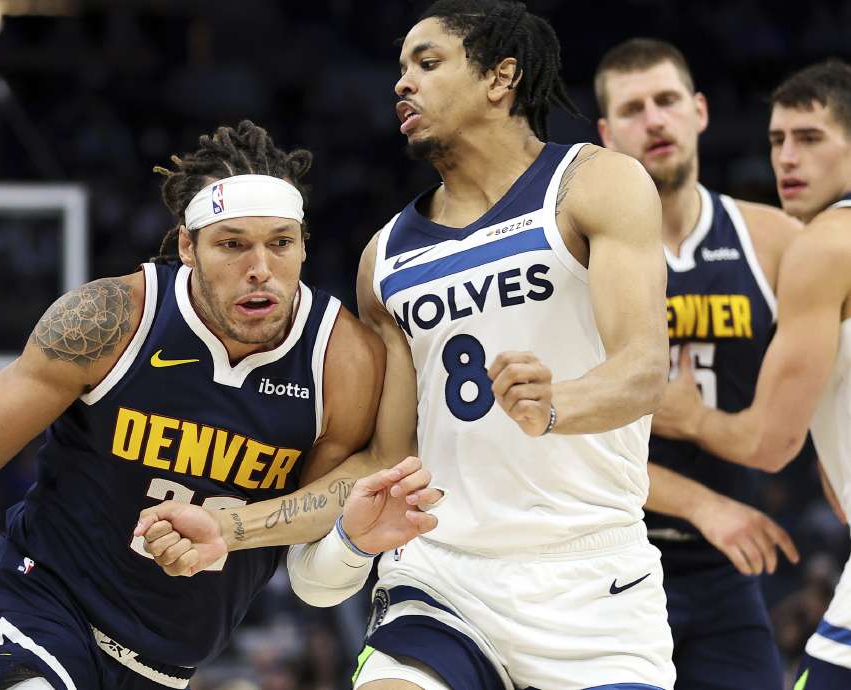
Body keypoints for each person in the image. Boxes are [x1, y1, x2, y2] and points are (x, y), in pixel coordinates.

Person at [0, 120, 441, 690]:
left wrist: (236, 530)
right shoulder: (114, 320)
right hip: (40, 603)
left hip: (167, 661)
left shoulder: (341, 358)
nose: (260, 268)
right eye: (232, 244)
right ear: (187, 248)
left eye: (280, 243)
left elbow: (337, 496)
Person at [141, 2, 675, 688]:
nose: (402, 84)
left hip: (593, 579)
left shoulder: (594, 183)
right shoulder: (385, 257)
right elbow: (389, 458)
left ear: (500, 78)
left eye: (427, 64)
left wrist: (557, 404)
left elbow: (643, 370)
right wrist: (233, 529)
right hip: (444, 576)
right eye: (400, 69)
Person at [593, 37, 802, 689]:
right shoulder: (578, 260)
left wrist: (702, 423)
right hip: (604, 560)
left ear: (700, 111)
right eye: (632, 109)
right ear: (605, 135)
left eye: (666, 100)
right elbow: (561, 437)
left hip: (722, 570)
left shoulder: (773, 242)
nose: (653, 120)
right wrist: (704, 503)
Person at [647, 58, 851, 690]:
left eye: (811, 139)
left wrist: (691, 416)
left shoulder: (824, 243)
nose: (787, 158)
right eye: (777, 140)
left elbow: (771, 445)